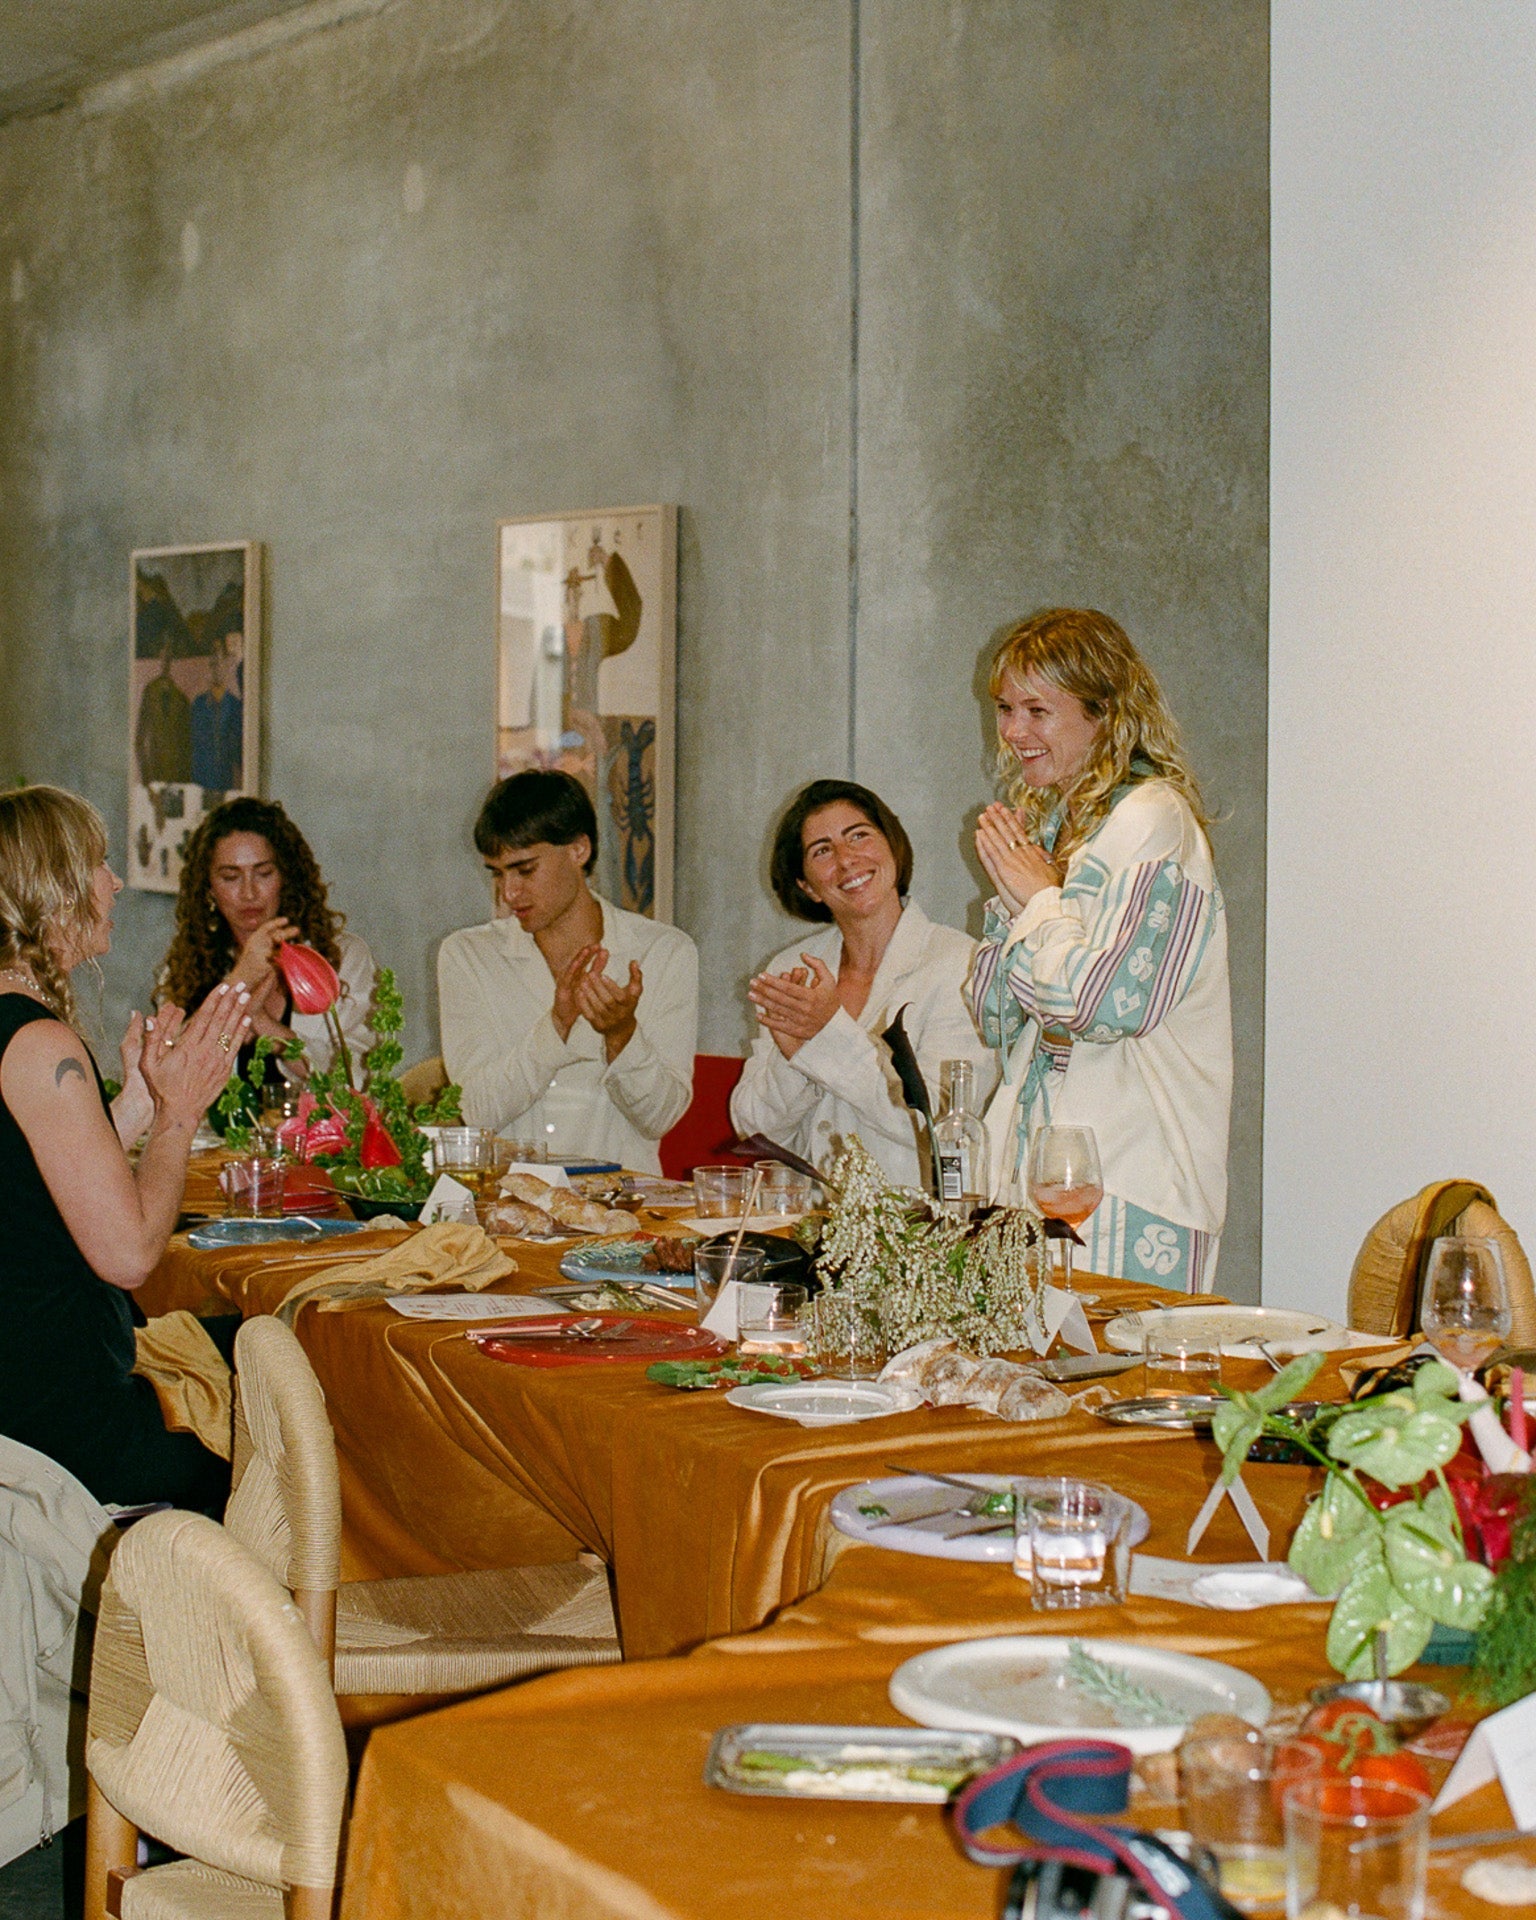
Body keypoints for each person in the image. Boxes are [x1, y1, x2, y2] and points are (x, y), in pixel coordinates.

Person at [0, 784, 252, 1506]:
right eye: (100, 864)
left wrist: (139, 1102)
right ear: (52, 893)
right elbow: (129, 1255)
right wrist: (178, 1114)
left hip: (21, 1384)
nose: (113, 882)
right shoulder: (38, 1041)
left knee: (246, 1345)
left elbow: (32, 1180)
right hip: (56, 1418)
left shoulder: (13, 1027)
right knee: (288, 1430)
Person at [968, 608, 1231, 1289]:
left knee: (1120, 1387)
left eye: (1037, 710)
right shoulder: (1057, 823)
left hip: (1132, 1182)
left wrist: (1040, 902)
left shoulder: (1153, 818)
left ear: (1103, 713)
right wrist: (1017, 901)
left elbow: (1104, 1005)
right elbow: (996, 1016)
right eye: (1005, 709)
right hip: (1038, 1178)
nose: (1014, 732)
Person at [731, 779, 993, 1189]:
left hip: (919, 1229)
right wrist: (797, 1058)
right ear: (806, 886)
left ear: (892, 846)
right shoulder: (792, 968)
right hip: (808, 1223)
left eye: (859, 836)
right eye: (822, 850)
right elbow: (755, 1127)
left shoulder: (961, 964)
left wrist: (825, 1034)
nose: (847, 859)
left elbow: (940, 1125)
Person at [438, 770, 697, 1171]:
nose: (509, 894)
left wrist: (621, 1035)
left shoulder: (663, 951)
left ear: (578, 850)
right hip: (507, 1210)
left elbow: (659, 1118)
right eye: (497, 873)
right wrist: (557, 1026)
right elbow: (476, 1111)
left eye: (524, 870)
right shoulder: (468, 954)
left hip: (626, 1213)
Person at [160, 797, 376, 1084]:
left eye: (263, 873)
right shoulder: (189, 965)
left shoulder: (341, 956)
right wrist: (239, 981)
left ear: (286, 876)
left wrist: (267, 1029)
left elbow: (355, 1079)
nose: (249, 893)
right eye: (230, 877)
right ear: (209, 888)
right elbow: (170, 1073)